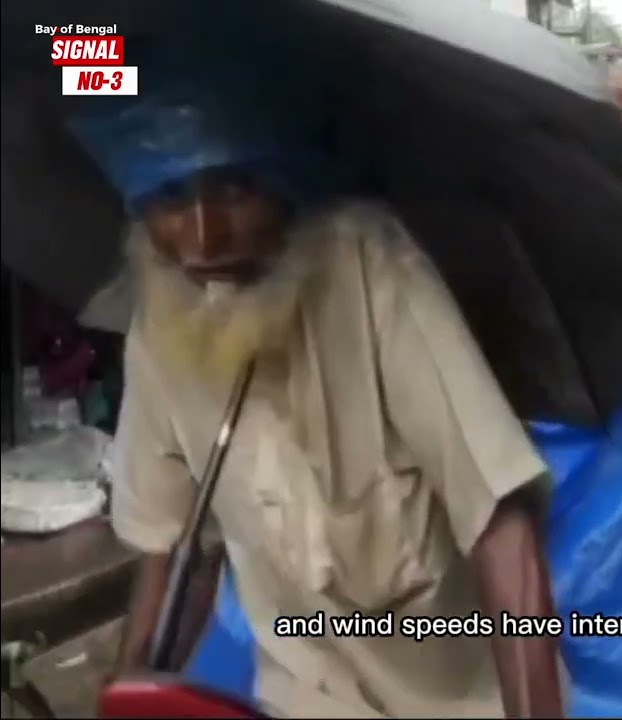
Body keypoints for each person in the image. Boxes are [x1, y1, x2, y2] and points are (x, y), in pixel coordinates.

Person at [74, 84, 562, 717]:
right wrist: (128, 692)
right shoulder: (161, 322)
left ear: (289, 182)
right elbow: (179, 549)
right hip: (301, 699)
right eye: (168, 197)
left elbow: (500, 523)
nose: (204, 238)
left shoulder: (373, 271)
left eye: (234, 188)